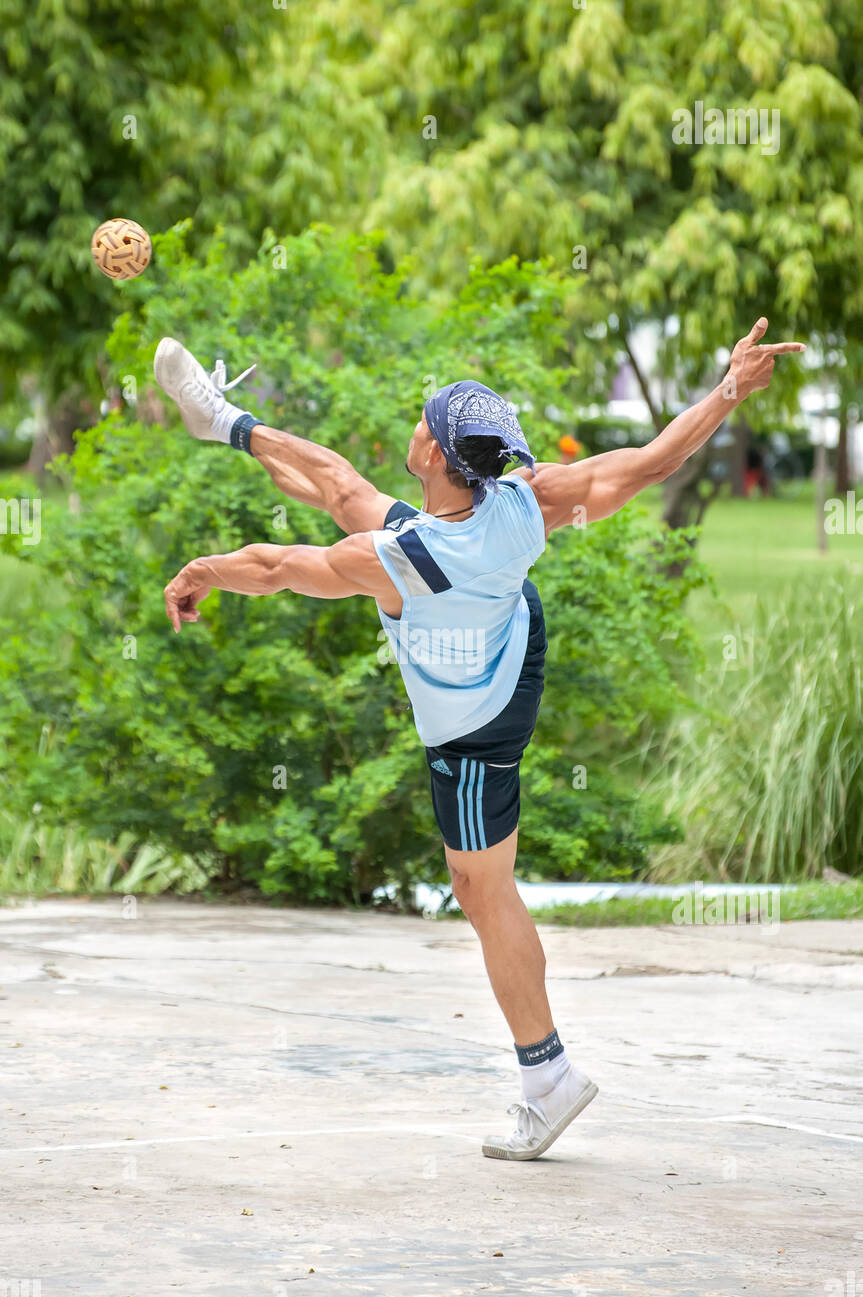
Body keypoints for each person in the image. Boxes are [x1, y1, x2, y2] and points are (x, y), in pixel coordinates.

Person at [156, 317, 803, 1161]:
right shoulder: (519, 498)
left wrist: (204, 570)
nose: (417, 426)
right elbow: (646, 464)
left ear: (433, 455)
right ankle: (226, 422)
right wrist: (726, 390)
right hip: (502, 612)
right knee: (348, 492)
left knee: (480, 887)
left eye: (425, 423)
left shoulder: (401, 558)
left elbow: (280, 568)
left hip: (477, 722)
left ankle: (548, 1080)